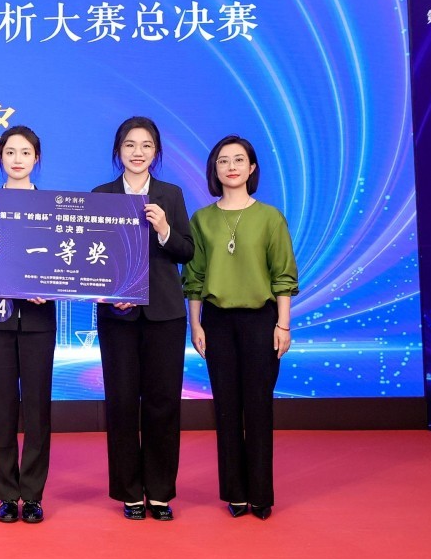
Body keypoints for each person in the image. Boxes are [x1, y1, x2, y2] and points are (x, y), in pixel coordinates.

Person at [183, 134, 299, 520]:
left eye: (238, 160)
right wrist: (195, 324)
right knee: (226, 408)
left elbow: (283, 276)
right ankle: (234, 492)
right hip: (216, 321)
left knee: (259, 407)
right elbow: (195, 278)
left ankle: (261, 494)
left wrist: (283, 324)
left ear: (251, 168)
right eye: (222, 161)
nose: (230, 166)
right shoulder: (202, 219)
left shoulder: (270, 217)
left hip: (261, 320)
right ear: (214, 170)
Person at [93, 116, 194, 521]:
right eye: (130, 145)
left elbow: (186, 251)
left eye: (146, 145)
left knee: (163, 402)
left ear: (156, 152)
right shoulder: (101, 195)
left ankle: (161, 492)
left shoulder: (171, 194)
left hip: (164, 314)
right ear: (118, 150)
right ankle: (130, 493)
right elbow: (90, 258)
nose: (138, 152)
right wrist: (109, 293)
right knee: (121, 402)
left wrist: (166, 229)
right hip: (117, 315)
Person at [0, 125, 56, 524]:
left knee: (37, 408)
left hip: (38, 319)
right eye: (10, 152)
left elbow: (63, 262)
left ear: (37, 158)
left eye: (25, 152)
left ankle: (32, 494)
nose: (17, 159)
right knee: (1, 407)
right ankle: (6, 494)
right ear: (0, 158)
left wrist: (48, 287)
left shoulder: (52, 204)